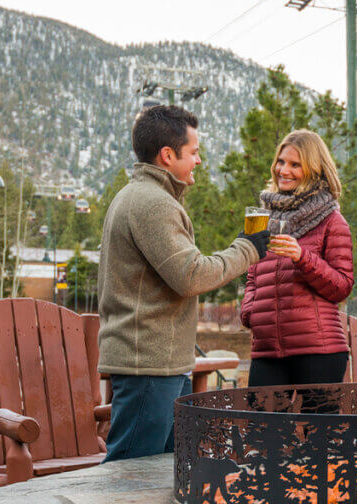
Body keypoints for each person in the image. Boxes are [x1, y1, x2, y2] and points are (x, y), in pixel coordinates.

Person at [98, 105, 271, 462]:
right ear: (167, 155)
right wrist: (247, 248)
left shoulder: (140, 197)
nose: (199, 160)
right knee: (130, 475)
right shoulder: (152, 204)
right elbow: (191, 275)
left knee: (163, 471)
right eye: (193, 152)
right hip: (148, 364)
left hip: (159, 362)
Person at [241, 130, 354, 391]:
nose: (284, 170)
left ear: (314, 169)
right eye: (281, 161)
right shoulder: (261, 217)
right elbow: (252, 277)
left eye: (295, 164)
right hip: (267, 349)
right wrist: (250, 312)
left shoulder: (332, 220)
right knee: (263, 430)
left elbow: (342, 287)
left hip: (318, 349)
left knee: (316, 432)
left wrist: (302, 257)